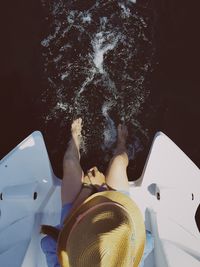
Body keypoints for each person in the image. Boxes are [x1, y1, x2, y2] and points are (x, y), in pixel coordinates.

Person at [41, 118, 153, 267]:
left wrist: (88, 188)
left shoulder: (62, 258)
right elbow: (148, 240)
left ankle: (74, 137)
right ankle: (121, 143)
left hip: (74, 219)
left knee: (69, 162)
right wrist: (102, 189)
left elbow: (49, 241)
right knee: (118, 162)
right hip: (116, 213)